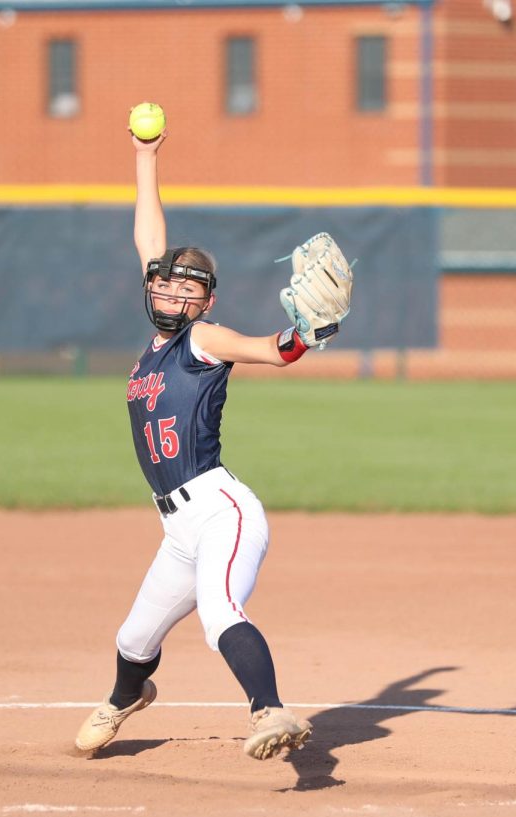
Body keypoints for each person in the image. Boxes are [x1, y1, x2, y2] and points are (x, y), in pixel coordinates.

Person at [74, 124, 331, 761]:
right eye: (165, 283)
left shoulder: (202, 340)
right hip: (177, 530)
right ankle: (125, 697)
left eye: (190, 287)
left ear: (206, 301)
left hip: (221, 510)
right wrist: (143, 158)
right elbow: (149, 239)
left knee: (221, 609)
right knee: (135, 639)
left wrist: (306, 333)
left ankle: (269, 710)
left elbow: (272, 350)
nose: (173, 290)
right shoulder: (155, 344)